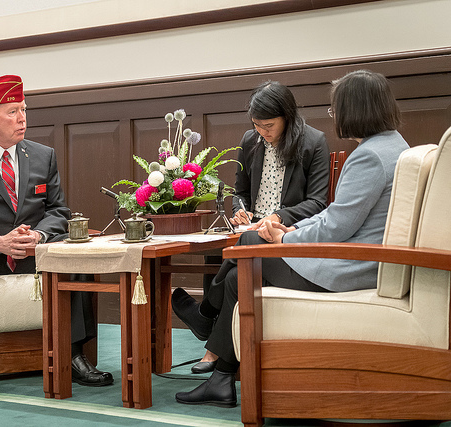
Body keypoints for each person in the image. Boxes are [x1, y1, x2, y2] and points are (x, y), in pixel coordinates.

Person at [172, 69, 408, 407]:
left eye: (335, 108)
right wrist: (293, 232)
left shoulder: (369, 156)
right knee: (244, 266)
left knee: (251, 247)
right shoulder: (393, 145)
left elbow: (336, 224)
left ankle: (210, 331)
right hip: (361, 258)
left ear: (354, 110)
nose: (335, 115)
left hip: (352, 268)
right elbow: (336, 217)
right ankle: (221, 377)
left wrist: (284, 238)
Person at [0, 75, 113, 401]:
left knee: (78, 245)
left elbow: (60, 210)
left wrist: (41, 234)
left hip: (34, 251)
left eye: (24, 110)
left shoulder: (43, 156)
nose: (22, 118)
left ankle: (74, 354)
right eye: (13, 111)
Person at [195, 81, 330, 375]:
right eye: (256, 125)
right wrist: (239, 210)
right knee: (224, 259)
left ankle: (207, 320)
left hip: (286, 234)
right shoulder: (250, 141)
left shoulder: (313, 142)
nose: (262, 132)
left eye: (268, 125)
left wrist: (278, 216)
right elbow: (239, 190)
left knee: (236, 261)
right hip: (251, 228)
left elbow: (319, 202)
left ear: (287, 116)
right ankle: (217, 356)